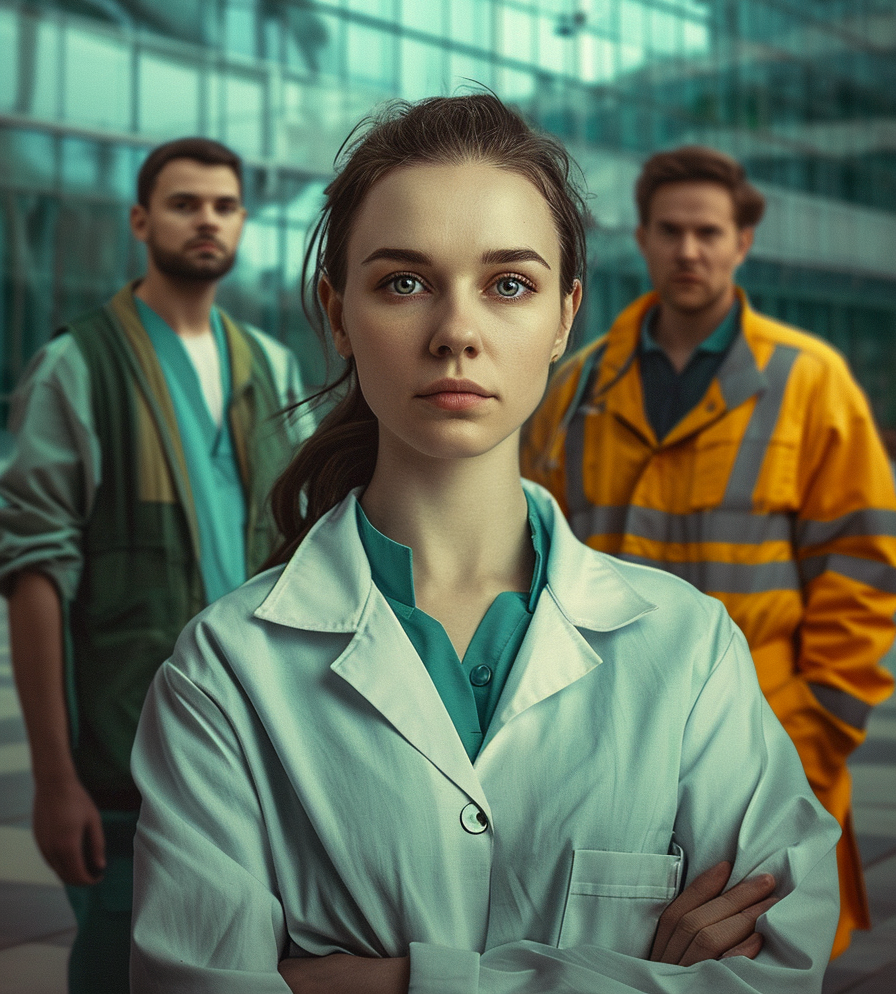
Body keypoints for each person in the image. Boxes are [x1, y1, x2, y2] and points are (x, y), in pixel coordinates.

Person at [130, 96, 838, 994]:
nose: (456, 333)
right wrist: (619, 976)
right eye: (403, 282)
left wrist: (358, 981)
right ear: (337, 313)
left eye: (508, 285)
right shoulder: (225, 671)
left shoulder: (689, 647)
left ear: (563, 318)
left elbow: (781, 970)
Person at [522, 144, 896, 960]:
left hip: (773, 737)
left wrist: (818, 727)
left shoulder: (812, 383)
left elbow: (863, 570)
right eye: (670, 230)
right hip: (606, 742)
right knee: (615, 956)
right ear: (644, 239)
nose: (689, 249)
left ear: (741, 243)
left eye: (708, 231)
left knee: (768, 959)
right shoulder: (577, 389)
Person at [0, 137, 305, 994]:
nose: (207, 219)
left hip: (255, 755)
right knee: (119, 965)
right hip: (124, 762)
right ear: (141, 221)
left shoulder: (271, 367)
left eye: (224, 205)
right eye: (184, 203)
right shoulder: (77, 366)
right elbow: (35, 575)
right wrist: (54, 781)